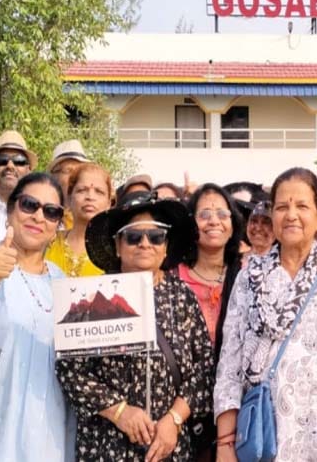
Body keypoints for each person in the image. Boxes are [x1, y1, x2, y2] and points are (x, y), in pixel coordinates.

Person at [214, 167, 317, 462]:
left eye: (302, 206)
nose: (291, 215)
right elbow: (230, 363)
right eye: (282, 206)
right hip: (264, 441)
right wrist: (225, 444)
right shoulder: (248, 277)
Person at [57, 191, 214, 461]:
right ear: (118, 245)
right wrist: (119, 412)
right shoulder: (93, 296)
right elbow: (70, 370)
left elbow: (203, 369)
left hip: (169, 447)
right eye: (133, 236)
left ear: (165, 246)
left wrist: (174, 419)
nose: (145, 244)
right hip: (106, 446)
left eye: (155, 237)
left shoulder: (182, 297)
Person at [0, 172, 74, 460]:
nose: (38, 216)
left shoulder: (61, 280)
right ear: (10, 211)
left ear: (57, 225)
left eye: (51, 211)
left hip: (49, 426)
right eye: (29, 205)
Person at [177, 183, 245, 459]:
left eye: (221, 213)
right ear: (191, 223)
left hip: (238, 409)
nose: (214, 221)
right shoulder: (171, 277)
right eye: (204, 214)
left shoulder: (249, 273)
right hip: (184, 412)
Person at [46, 162, 113, 277]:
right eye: (82, 190)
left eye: (99, 192)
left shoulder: (115, 250)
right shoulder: (47, 242)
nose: (90, 197)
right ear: (69, 198)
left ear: (109, 203)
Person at [243, 200, 274, 265]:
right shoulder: (232, 261)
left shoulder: (283, 263)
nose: (258, 228)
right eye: (254, 221)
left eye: (266, 222)